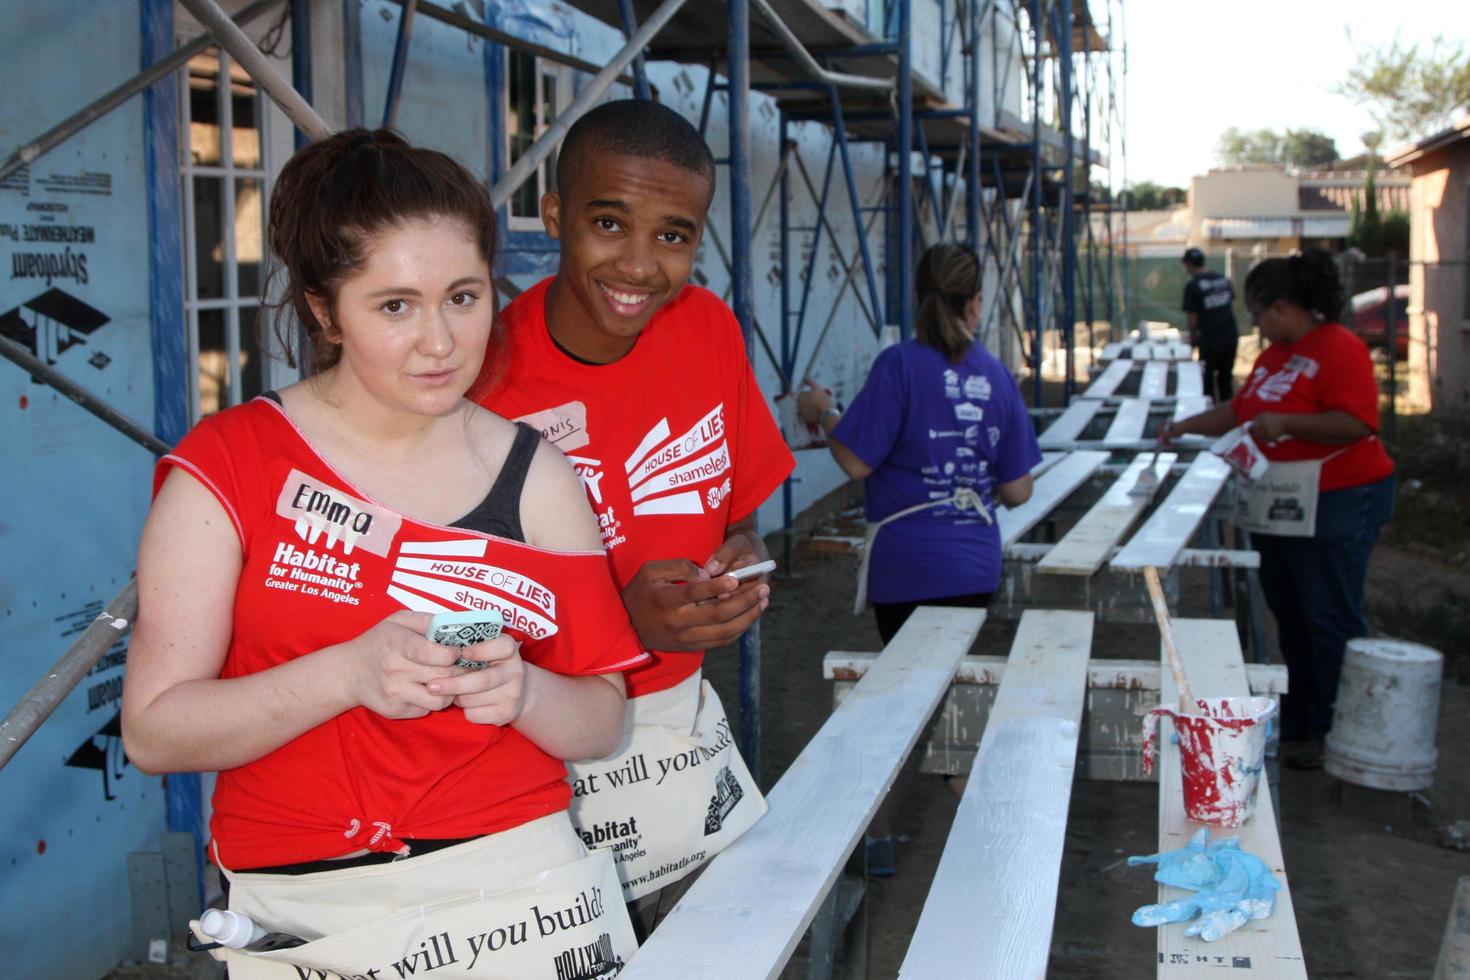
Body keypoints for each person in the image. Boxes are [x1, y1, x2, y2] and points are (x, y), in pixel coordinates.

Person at [121, 129, 647, 978]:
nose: (440, 342)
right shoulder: (231, 466)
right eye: (395, 306)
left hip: (517, 886)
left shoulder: (534, 473)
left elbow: (602, 719)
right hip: (304, 907)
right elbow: (152, 731)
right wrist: (347, 674)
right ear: (326, 311)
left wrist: (522, 689)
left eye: (464, 297)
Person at [470, 100, 795, 932]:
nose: (641, 264)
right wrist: (621, 623)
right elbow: (451, 618)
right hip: (538, 750)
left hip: (680, 742)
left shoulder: (708, 329)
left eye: (674, 235)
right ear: (553, 216)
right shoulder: (482, 382)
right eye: (609, 222)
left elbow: (739, 510)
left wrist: (738, 566)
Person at [797, 242, 1042, 872]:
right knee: (933, 695)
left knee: (911, 702)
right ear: (977, 302)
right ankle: (896, 831)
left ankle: (982, 826)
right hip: (974, 562)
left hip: (907, 566)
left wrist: (822, 413)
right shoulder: (995, 374)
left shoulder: (900, 365)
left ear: (919, 297)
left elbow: (856, 459)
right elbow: (1018, 489)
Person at [1159, 248, 1395, 770]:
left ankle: (1341, 731)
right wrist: (1183, 427)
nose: (1257, 324)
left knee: (1328, 614)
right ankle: (1305, 724)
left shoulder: (1340, 348)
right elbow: (1241, 411)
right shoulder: (1275, 356)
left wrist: (1287, 423)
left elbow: (1358, 423)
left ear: (1285, 307)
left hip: (1339, 498)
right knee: (1290, 613)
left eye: (1260, 313)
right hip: (1282, 505)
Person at [1182, 246, 1240, 401]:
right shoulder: (1223, 279)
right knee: (1225, 379)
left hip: (1211, 339)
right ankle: (1228, 419)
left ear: (1188, 264)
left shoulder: (1193, 286)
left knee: (1206, 381)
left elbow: (1193, 319)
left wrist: (1192, 339)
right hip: (1231, 335)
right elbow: (1228, 306)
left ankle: (1210, 416)